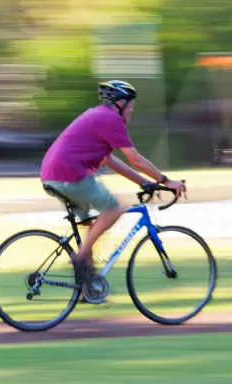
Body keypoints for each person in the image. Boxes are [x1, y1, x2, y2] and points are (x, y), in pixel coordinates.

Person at [39, 80, 186, 296]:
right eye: (130, 105)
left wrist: (143, 182)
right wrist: (166, 181)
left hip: (52, 176)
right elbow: (136, 159)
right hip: (70, 175)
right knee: (114, 209)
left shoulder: (97, 116)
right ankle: (80, 258)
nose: (132, 110)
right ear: (120, 103)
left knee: (91, 227)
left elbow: (110, 160)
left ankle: (87, 288)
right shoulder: (111, 120)